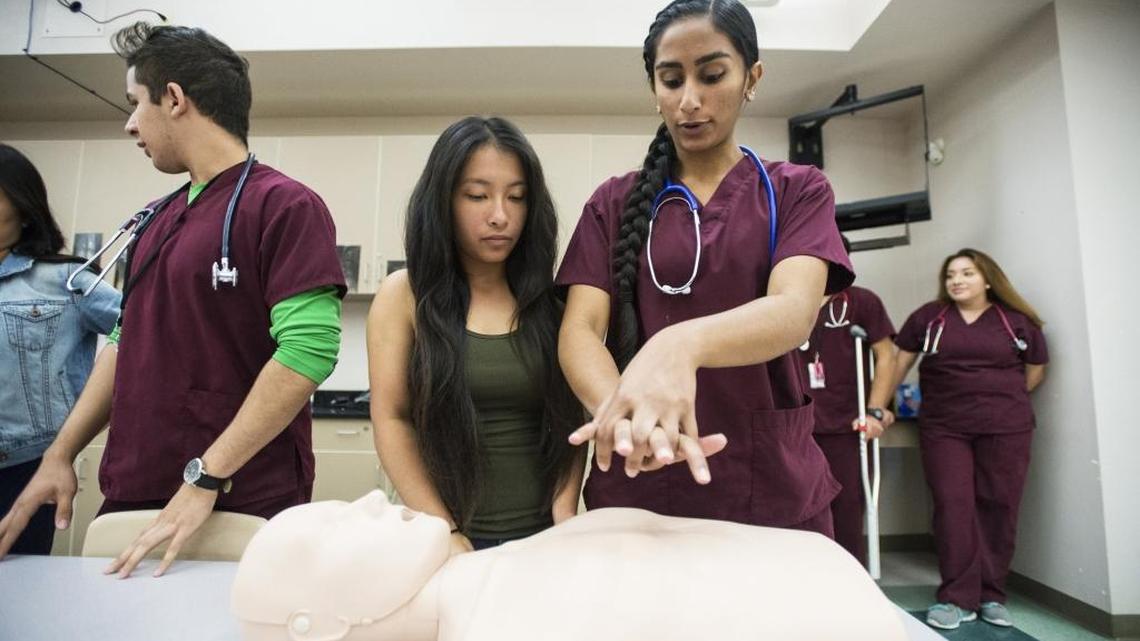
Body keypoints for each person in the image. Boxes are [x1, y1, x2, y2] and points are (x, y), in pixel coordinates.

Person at [0, 22, 346, 577]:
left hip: (237, 495)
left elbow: (307, 352)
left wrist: (205, 476)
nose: (130, 123)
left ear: (175, 99)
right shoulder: (155, 220)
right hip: (137, 488)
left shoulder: (285, 207)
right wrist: (60, 453)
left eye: (136, 102)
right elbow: (123, 339)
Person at [556, 0, 854, 533]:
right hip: (641, 487)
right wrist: (626, 420)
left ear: (751, 77)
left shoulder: (797, 190)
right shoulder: (614, 203)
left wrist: (678, 345)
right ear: (655, 89)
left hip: (772, 486)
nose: (689, 101)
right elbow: (580, 330)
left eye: (712, 75)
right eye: (671, 80)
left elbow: (792, 312)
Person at [231, 490, 908, 641]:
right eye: (335, 523)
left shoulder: (504, 568)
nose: (374, 497)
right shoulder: (495, 624)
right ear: (312, 623)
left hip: (828, 577)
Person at [366, 117, 581, 551]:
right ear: (443, 201)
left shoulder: (552, 304)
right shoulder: (404, 296)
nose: (500, 216)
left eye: (516, 198)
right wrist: (444, 530)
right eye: (477, 196)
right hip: (441, 537)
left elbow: (570, 421)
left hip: (543, 541)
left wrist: (564, 514)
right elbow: (391, 418)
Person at [892, 248, 1047, 630]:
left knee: (999, 505)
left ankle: (992, 595)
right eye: (950, 275)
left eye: (967, 273)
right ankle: (956, 598)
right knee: (953, 505)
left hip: (1006, 426)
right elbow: (899, 360)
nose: (957, 280)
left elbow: (1036, 369)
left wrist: (1001, 399)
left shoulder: (1017, 321)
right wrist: (880, 406)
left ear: (988, 279)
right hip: (945, 427)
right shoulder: (931, 318)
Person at [0, 143, 121, 555]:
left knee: (18, 589)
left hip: (27, 467)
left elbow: (146, 335)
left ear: (22, 204)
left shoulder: (66, 280)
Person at [795, 235, 896, 564]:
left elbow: (886, 357)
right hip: (797, 425)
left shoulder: (862, 302)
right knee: (796, 508)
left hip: (846, 424)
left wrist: (876, 411)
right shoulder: (788, 303)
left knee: (846, 509)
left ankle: (848, 579)